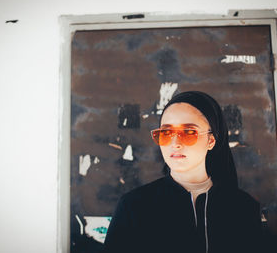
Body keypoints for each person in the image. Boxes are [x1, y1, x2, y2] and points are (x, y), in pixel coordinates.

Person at [102, 91, 262, 253]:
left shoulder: (243, 208)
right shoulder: (134, 206)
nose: (175, 143)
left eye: (188, 132)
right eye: (166, 133)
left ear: (211, 140)